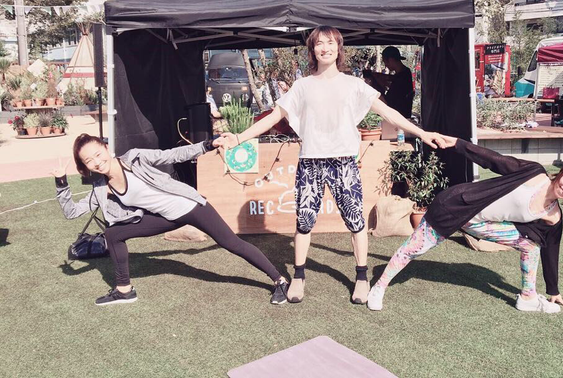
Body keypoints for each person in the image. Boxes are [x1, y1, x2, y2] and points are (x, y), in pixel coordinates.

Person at [220, 26, 450, 304]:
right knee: (304, 223)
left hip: (344, 164)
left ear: (339, 48)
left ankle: (362, 278)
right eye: (319, 43)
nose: (325, 48)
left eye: (330, 43)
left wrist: (423, 134)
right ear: (312, 49)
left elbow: (388, 112)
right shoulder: (302, 86)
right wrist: (239, 138)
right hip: (310, 164)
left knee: (355, 223)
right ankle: (299, 277)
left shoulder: (353, 85)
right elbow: (272, 118)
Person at [367, 135, 563, 313]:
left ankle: (528, 298)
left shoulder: (553, 216)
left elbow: (551, 250)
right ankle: (379, 288)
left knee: (531, 245)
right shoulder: (533, 174)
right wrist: (458, 144)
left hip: (481, 226)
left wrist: (553, 291)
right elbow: (495, 160)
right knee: (413, 249)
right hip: (456, 207)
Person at [52, 134, 289, 306]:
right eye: (88, 160)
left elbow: (172, 155)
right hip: (166, 218)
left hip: (191, 206)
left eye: (97, 153)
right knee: (114, 234)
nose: (96, 161)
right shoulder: (101, 187)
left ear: (106, 148)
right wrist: (61, 182)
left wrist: (207, 144)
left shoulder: (133, 159)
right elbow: (72, 212)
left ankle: (279, 280)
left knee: (232, 243)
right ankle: (124, 290)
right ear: (85, 167)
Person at [364, 46, 414, 118]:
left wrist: (373, 88)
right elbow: (392, 78)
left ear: (390, 60)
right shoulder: (405, 73)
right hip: (400, 116)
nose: (386, 65)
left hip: (398, 118)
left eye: (385, 62)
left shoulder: (402, 77)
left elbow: (387, 103)